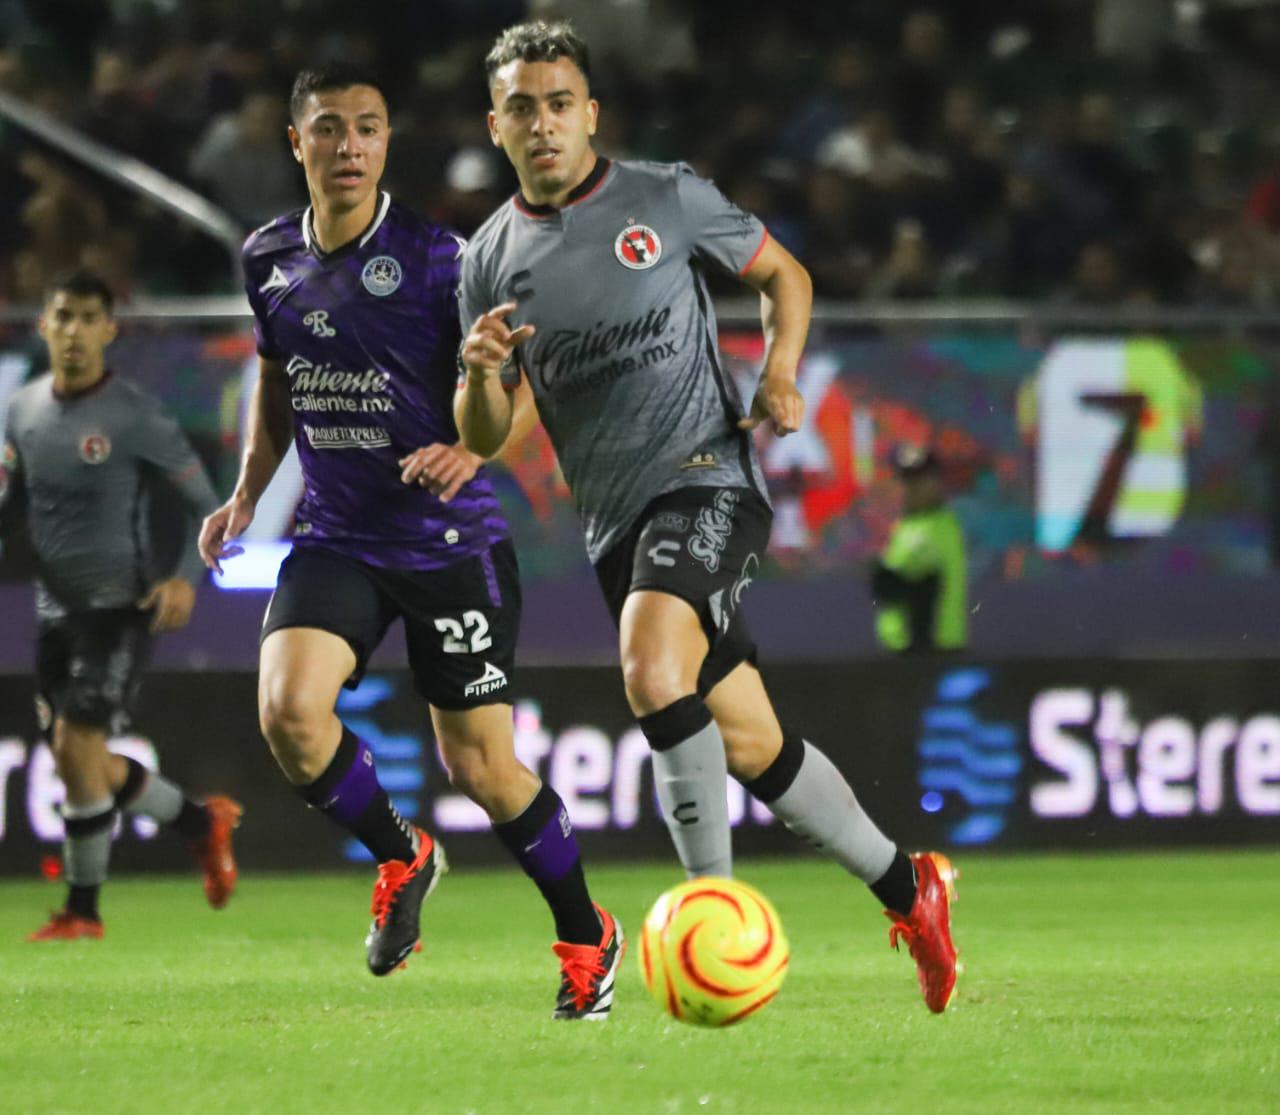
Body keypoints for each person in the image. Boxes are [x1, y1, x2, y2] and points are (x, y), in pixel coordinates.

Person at [457, 20, 960, 1013]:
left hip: (707, 478)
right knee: (749, 741)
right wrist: (477, 377)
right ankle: (912, 888)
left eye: (559, 104)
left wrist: (779, 372)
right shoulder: (486, 262)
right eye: (522, 108)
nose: (543, 123)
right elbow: (485, 432)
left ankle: (710, 916)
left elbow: (784, 275)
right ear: (496, 126)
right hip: (614, 524)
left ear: (590, 113)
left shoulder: (665, 196)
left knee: (652, 669)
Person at [197, 63, 621, 1020]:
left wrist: (474, 449)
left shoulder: (442, 261)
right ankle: (402, 853)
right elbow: (278, 378)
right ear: (296, 142)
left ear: (387, 142)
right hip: (339, 536)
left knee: (483, 771)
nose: (349, 145)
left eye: (368, 127)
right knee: (289, 713)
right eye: (329, 128)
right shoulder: (267, 256)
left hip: (447, 543)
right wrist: (249, 490)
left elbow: (528, 382)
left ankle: (587, 933)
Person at [0, 270, 240, 942]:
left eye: (87, 318)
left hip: (120, 606)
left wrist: (185, 578)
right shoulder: (21, 411)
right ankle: (200, 822)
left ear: (110, 330)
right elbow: (14, 505)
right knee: (80, 760)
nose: (73, 332)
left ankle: (83, 911)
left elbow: (207, 506)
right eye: (62, 317)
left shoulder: (135, 415)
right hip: (54, 611)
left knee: (76, 744)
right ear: (43, 326)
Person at [871, 445, 968, 653]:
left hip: (930, 648)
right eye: (908, 479)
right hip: (907, 648)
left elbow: (921, 585)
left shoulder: (939, 526)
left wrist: (884, 578)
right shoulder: (909, 524)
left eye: (921, 480)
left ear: (936, 483)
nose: (913, 487)